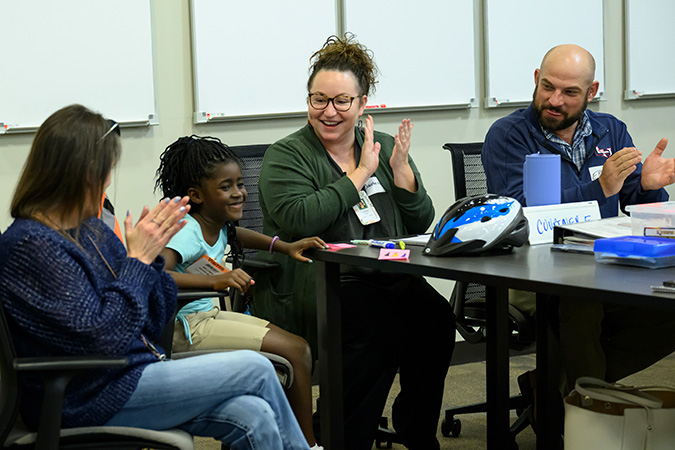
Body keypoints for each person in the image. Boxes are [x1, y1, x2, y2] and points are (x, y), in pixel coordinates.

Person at [0, 104, 310, 450]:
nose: (108, 182)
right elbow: (101, 337)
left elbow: (150, 318)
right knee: (257, 369)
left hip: (128, 373)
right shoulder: (31, 245)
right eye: (106, 171)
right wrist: (138, 261)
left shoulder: (90, 232)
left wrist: (151, 263)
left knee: (254, 414)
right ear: (84, 175)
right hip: (88, 395)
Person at [252, 34, 455, 450]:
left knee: (436, 319)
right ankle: (341, 436)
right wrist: (359, 174)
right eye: (319, 100)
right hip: (318, 281)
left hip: (387, 274)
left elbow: (420, 220)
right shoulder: (286, 155)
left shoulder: (382, 147)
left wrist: (403, 176)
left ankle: (415, 428)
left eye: (342, 101)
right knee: (378, 327)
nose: (329, 112)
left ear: (363, 104)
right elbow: (299, 219)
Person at [482, 44, 675, 394]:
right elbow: (520, 214)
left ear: (591, 91)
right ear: (536, 79)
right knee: (581, 303)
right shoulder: (509, 135)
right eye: (547, 87)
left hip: (605, 265)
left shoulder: (610, 130)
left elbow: (635, 203)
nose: (554, 100)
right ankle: (582, 408)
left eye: (570, 92)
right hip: (530, 274)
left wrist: (648, 188)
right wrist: (599, 189)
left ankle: (558, 389)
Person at [154, 135, 326, 449]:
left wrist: (284, 246)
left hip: (208, 318)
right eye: (226, 187)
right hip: (184, 329)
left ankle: (292, 441)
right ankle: (307, 445)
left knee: (296, 350)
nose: (239, 193)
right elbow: (156, 273)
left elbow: (237, 234)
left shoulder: (216, 223)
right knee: (296, 351)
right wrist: (215, 281)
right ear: (196, 195)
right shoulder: (187, 230)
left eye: (240, 184)